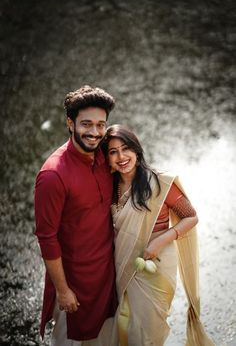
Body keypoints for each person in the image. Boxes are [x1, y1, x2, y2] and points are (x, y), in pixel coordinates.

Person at [103, 124, 215, 346]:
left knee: (147, 332)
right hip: (123, 262)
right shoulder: (108, 185)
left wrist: (161, 240)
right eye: (113, 152)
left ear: (137, 151)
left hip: (156, 264)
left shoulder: (160, 183)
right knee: (123, 323)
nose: (121, 157)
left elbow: (191, 217)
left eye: (126, 149)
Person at [34, 85, 118, 346]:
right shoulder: (52, 176)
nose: (94, 133)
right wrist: (62, 290)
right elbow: (46, 238)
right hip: (74, 283)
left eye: (101, 125)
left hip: (107, 278)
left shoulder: (106, 156)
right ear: (70, 123)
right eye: (86, 124)